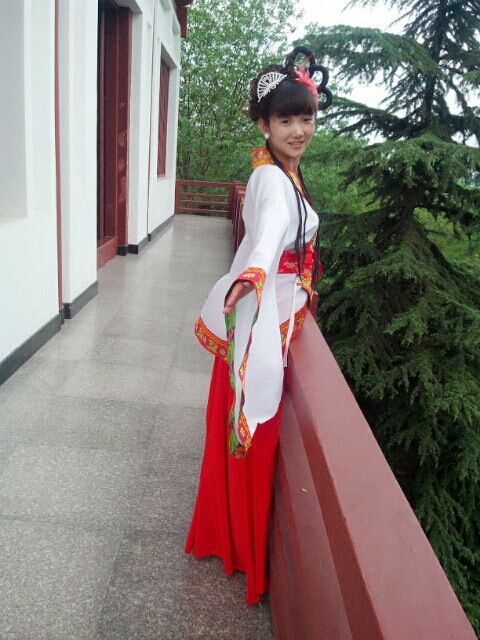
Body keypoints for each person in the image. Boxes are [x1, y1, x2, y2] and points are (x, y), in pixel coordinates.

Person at [184, 46, 332, 605]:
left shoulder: (285, 173)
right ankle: (244, 550)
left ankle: (232, 539)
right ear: (264, 125)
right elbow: (269, 234)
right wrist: (254, 272)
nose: (299, 130)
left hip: (267, 316)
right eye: (286, 120)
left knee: (242, 433)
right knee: (256, 433)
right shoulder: (271, 179)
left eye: (306, 118)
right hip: (261, 324)